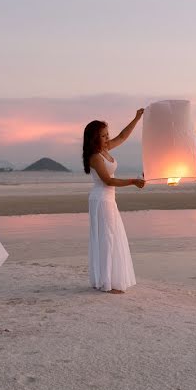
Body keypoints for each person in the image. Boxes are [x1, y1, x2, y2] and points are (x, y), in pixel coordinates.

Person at [83, 109, 146, 294]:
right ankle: (106, 283)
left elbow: (123, 136)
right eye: (103, 135)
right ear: (94, 138)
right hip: (101, 199)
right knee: (107, 239)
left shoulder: (105, 149)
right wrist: (133, 181)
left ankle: (105, 279)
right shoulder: (95, 157)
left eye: (107, 134)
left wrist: (136, 118)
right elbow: (108, 181)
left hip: (108, 199)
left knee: (110, 237)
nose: (107, 138)